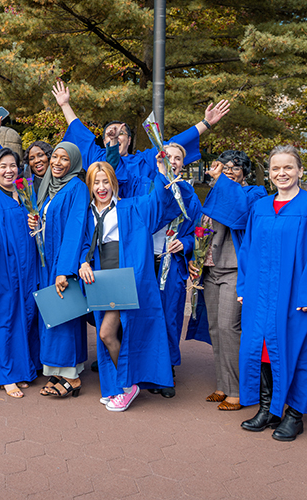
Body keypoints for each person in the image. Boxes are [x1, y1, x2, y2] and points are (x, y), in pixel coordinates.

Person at [235, 145, 307, 441]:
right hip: (261, 295)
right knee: (265, 351)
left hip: (298, 297)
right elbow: (248, 251)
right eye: (275, 169)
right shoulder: (259, 207)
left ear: (300, 171)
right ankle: (269, 410)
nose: (281, 173)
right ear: (268, 174)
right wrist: (244, 287)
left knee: (302, 352)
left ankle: (295, 415)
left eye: (288, 168)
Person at [78, 160, 180, 411]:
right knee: (106, 333)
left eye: (106, 182)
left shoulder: (130, 207)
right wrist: (83, 262)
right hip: (100, 278)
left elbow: (158, 200)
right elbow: (81, 243)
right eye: (96, 182)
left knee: (107, 333)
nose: (102, 187)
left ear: (113, 182)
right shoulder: (86, 212)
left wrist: (162, 172)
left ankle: (128, 386)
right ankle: (115, 386)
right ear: (90, 186)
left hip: (124, 277)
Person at [51, 81, 230, 197]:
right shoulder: (96, 157)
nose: (114, 136)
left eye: (120, 133)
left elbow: (174, 144)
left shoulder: (144, 160)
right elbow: (79, 132)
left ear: (129, 140)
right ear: (104, 141)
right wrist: (65, 105)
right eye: (110, 134)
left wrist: (205, 122)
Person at [194, 150, 267, 411]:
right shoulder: (215, 192)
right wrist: (196, 260)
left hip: (235, 270)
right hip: (211, 270)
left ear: (245, 172)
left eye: (235, 167)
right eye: (224, 166)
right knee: (215, 330)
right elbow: (203, 229)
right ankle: (223, 385)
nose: (228, 170)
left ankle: (239, 391)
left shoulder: (255, 194)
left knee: (229, 328)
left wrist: (223, 181)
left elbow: (240, 214)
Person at [0, 148, 41, 398]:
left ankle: (22, 370)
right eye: (2, 166)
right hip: (4, 269)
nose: (9, 170)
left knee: (26, 315)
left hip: (28, 267)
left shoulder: (25, 195)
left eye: (13, 165)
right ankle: (5, 375)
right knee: (5, 318)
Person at [28, 142, 89, 398]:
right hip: (47, 260)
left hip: (63, 262)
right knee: (53, 315)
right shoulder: (49, 187)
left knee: (65, 316)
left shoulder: (77, 187)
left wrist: (64, 270)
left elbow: (76, 229)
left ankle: (71, 376)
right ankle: (57, 370)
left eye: (65, 159)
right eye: (55, 157)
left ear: (73, 162)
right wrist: (37, 219)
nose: (57, 163)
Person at [147, 142, 203, 399]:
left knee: (170, 317)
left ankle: (167, 370)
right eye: (167, 157)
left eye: (177, 158)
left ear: (183, 163)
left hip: (173, 264)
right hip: (148, 261)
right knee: (147, 317)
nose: (172, 161)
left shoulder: (190, 194)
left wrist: (187, 243)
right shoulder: (148, 186)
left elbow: (199, 231)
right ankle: (147, 368)